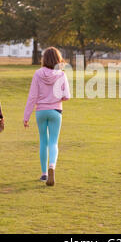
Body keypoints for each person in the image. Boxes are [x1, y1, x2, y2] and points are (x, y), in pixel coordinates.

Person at [23, 47, 70, 186]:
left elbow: (32, 96)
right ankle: (52, 166)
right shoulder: (61, 75)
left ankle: (44, 174)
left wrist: (26, 116)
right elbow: (67, 96)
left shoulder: (37, 74)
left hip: (41, 112)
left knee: (43, 141)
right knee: (54, 142)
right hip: (56, 111)